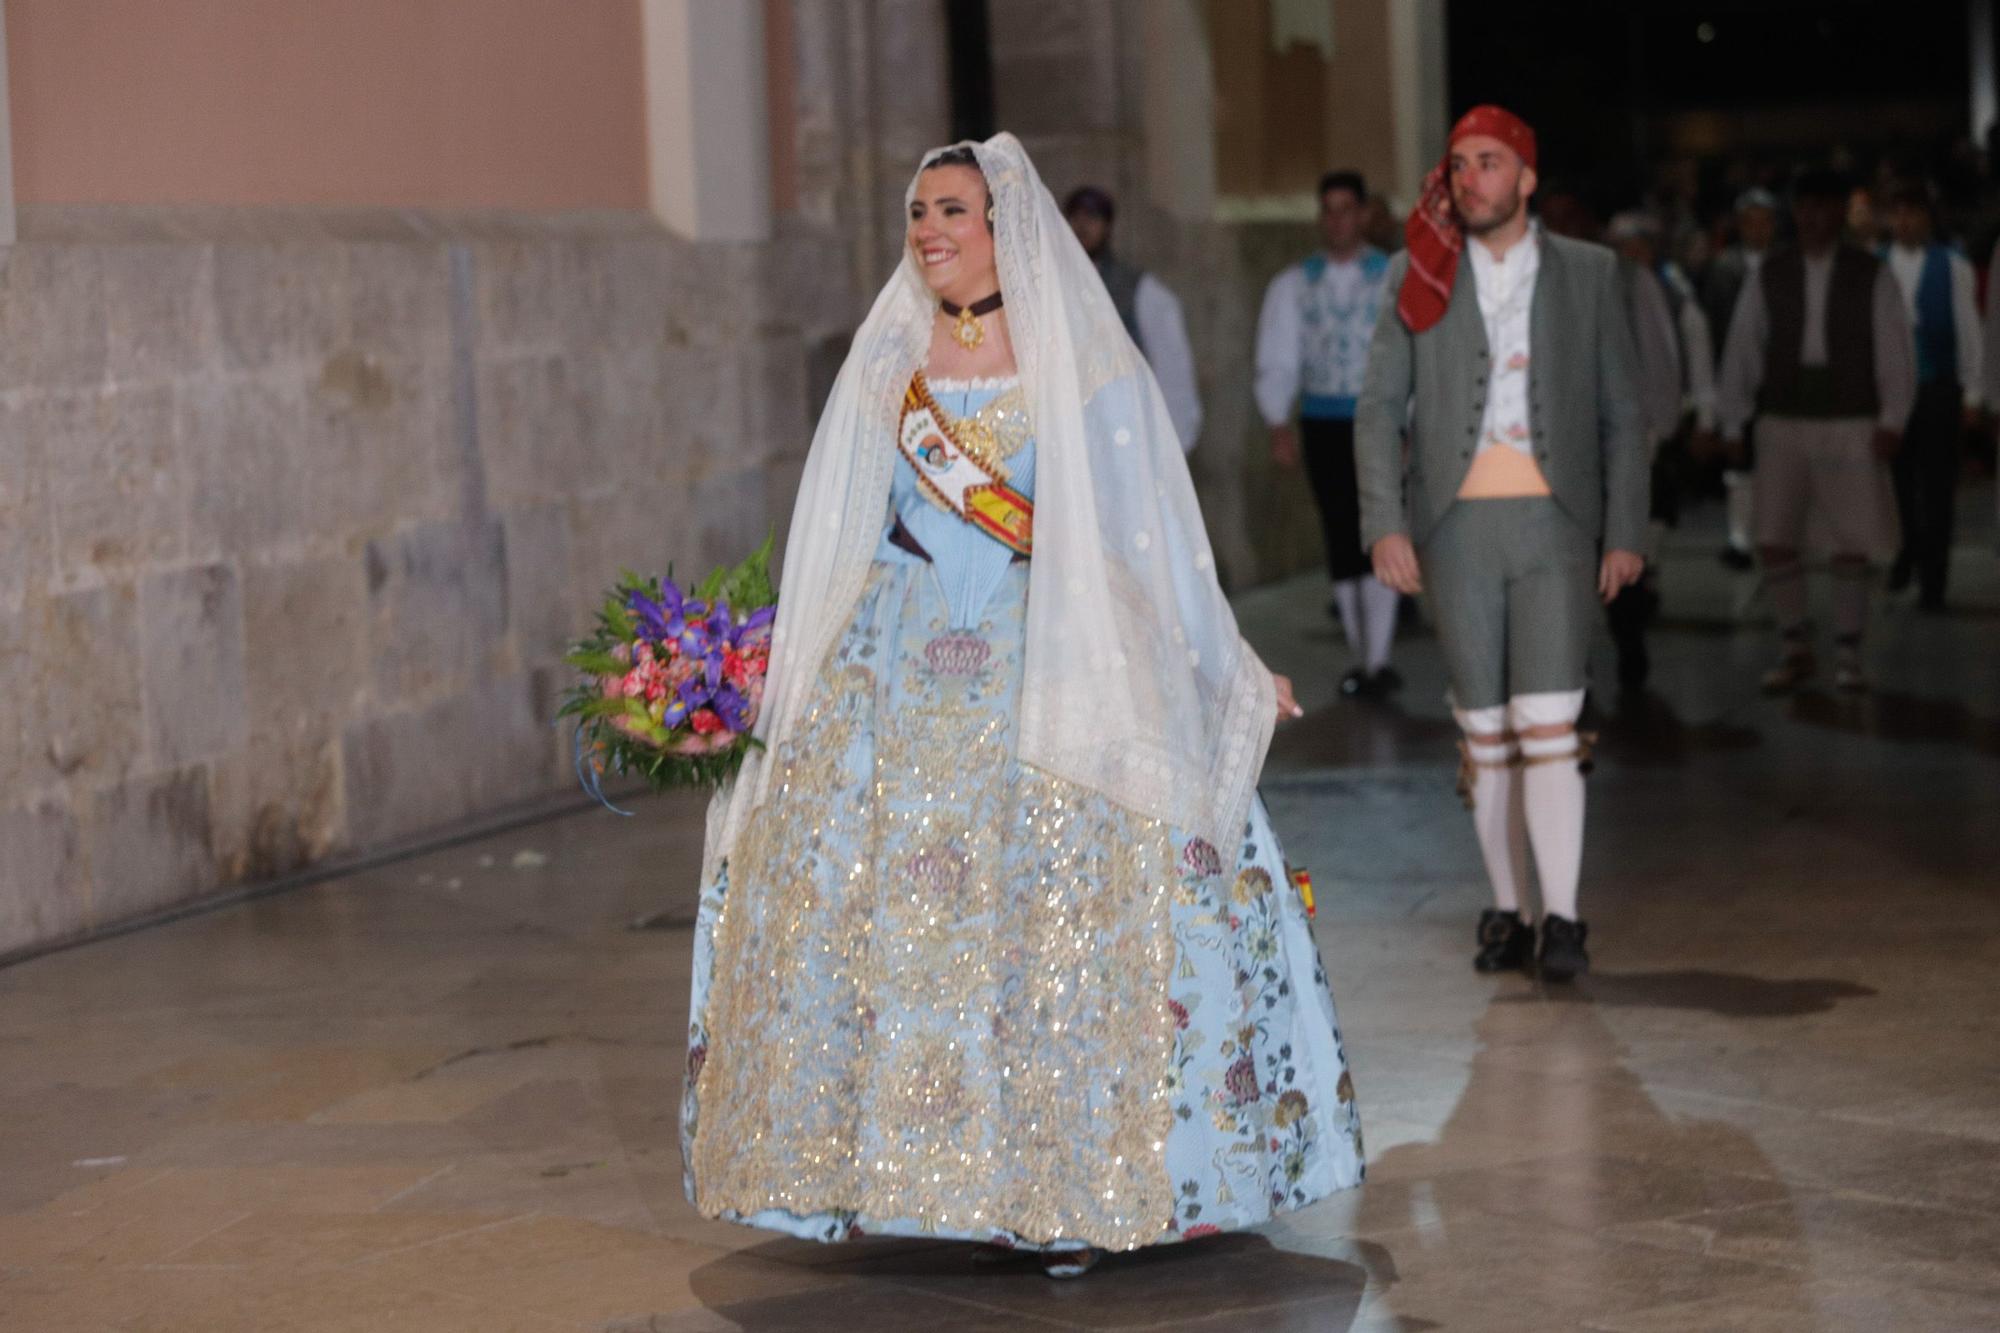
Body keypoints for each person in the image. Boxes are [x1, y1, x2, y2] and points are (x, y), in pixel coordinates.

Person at [681, 134, 1364, 1279]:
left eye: (950, 208)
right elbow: (838, 528)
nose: (928, 229)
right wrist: (775, 664)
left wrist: (1223, 663)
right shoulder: (885, 363)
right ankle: (878, 1172)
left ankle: (1067, 1185)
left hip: (1041, 657)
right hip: (891, 663)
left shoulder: (1083, 366)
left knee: (1048, 926)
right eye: (914, 213)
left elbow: (1145, 546)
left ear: (1004, 223)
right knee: (864, 915)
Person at [1357, 106, 1647, 985]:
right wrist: (1383, 523)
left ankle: (1562, 917)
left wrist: (1625, 531)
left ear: (1526, 175)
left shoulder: (1592, 274)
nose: (1470, 178)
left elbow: (1625, 413)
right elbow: (1377, 408)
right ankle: (1507, 908)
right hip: (1454, 528)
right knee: (1483, 728)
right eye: (1458, 165)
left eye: (1489, 162)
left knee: (1550, 723)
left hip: (1556, 525)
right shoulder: (1417, 272)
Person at [1715, 169, 1916, 694]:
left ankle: (1849, 651)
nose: (1815, 216)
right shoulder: (1772, 274)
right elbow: (1743, 348)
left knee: (1851, 539)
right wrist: (1733, 419)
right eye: (1806, 206)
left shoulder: (1871, 273)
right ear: (1796, 212)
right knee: (1776, 536)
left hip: (1851, 419)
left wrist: (1894, 417)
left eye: (1825, 206)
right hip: (1783, 418)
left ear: (1838, 212)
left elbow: (1894, 348)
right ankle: (1795, 646)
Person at [1255, 170, 1402, 696]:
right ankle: (1363, 657)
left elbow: (1410, 351)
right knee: (1340, 531)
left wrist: (1409, 422)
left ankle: (1379, 657)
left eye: (1346, 209)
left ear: (1363, 214)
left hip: (1379, 421)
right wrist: (1278, 422)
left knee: (1380, 526)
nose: (1337, 220)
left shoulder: (1391, 276)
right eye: (1328, 209)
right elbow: (1279, 356)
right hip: (1322, 420)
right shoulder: (1297, 282)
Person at [1881, 184, 1981, 609]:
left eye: (1914, 213)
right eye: (1899, 212)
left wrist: (1973, 392)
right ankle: (1910, 548)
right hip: (1889, 391)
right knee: (1895, 485)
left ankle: (1934, 581)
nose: (1905, 221)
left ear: (1927, 218)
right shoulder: (1876, 266)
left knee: (1938, 486)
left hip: (1938, 385)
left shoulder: (1953, 265)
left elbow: (1969, 330)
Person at [1601, 210, 1687, 689]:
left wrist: (1659, 429)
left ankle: (1629, 638)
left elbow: (1660, 356)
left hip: (1622, 438)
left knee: (1623, 546)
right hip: (1562, 446)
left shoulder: (1638, 284)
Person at [1063, 186, 1204, 452]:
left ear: (1107, 226)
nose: (1082, 226)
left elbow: (1172, 364)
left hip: (1125, 427)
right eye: (1075, 217)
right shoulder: (1054, 284)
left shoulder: (1138, 288)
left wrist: (1174, 440)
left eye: (1092, 218)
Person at [1702, 188, 1781, 571]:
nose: (1756, 228)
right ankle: (1739, 537)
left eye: (1763, 220)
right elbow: (1715, 326)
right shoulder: (1723, 268)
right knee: (1739, 461)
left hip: (1778, 379)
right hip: (1734, 374)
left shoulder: (1786, 265)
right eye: (1749, 220)